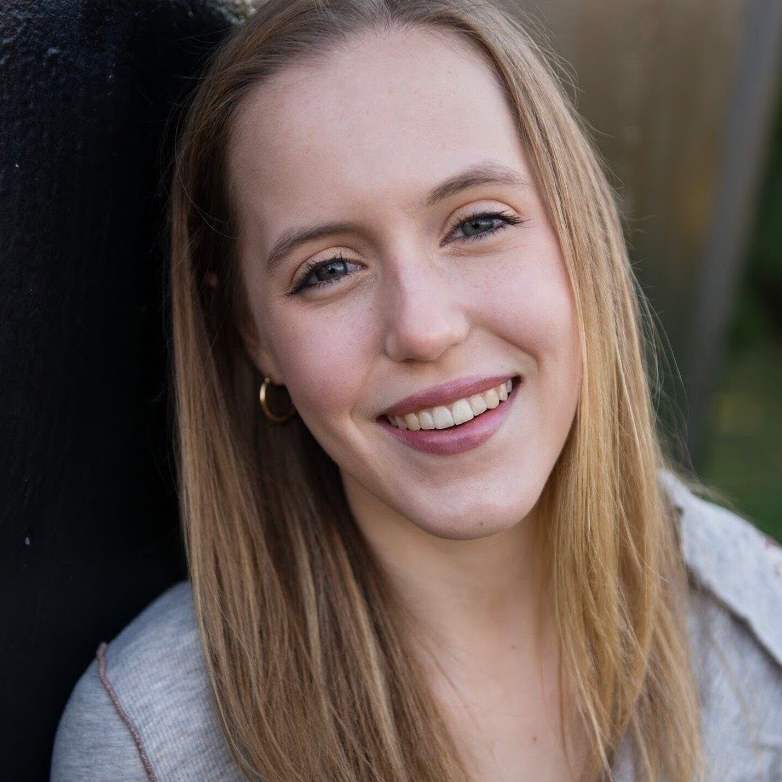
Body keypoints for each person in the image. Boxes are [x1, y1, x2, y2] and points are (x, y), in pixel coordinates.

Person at [50, 1, 782, 780]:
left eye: (477, 224)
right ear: (253, 334)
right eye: (327, 270)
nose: (425, 328)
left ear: (582, 233)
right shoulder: (152, 750)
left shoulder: (758, 636)